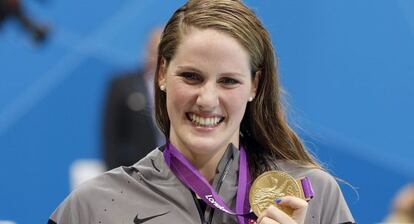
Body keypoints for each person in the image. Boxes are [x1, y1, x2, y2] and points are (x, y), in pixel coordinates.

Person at [48, 1, 355, 223]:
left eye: (229, 81)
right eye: (191, 77)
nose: (207, 99)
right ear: (162, 74)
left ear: (254, 86)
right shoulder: (96, 206)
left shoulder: (313, 195)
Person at [102, 28, 163, 170]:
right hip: (136, 172)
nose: (160, 58)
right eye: (156, 51)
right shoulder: (123, 86)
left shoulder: (183, 87)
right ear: (147, 52)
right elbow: (111, 139)